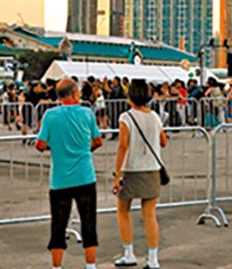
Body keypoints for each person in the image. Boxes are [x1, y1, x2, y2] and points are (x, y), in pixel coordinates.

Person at [35, 78, 102, 269]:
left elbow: (40, 145)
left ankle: (57, 266)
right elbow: (98, 141)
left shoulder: (50, 115)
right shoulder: (87, 113)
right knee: (89, 222)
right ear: (73, 94)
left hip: (60, 179)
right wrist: (84, 149)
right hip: (85, 176)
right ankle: (90, 265)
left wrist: (56, 147)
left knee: (58, 224)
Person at [112, 79, 166, 269]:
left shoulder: (126, 117)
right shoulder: (155, 117)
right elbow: (163, 141)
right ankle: (153, 259)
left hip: (131, 169)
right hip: (152, 168)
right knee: (150, 214)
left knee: (123, 211)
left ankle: (128, 253)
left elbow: (123, 146)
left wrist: (117, 174)